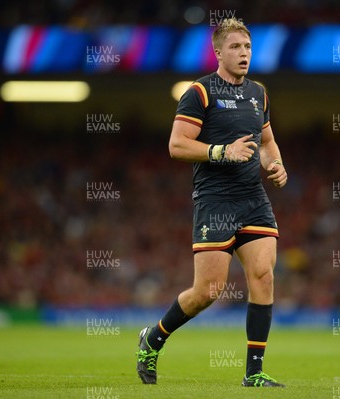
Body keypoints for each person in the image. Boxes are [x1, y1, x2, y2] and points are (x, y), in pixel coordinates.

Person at [136, 18, 287, 388]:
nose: (244, 54)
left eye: (248, 48)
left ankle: (254, 373)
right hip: (215, 201)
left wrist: (276, 164)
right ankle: (153, 338)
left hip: (253, 198)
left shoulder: (258, 94)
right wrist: (223, 151)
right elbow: (177, 145)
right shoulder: (199, 92)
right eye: (235, 47)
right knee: (208, 292)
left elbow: (266, 142)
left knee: (264, 276)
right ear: (218, 52)